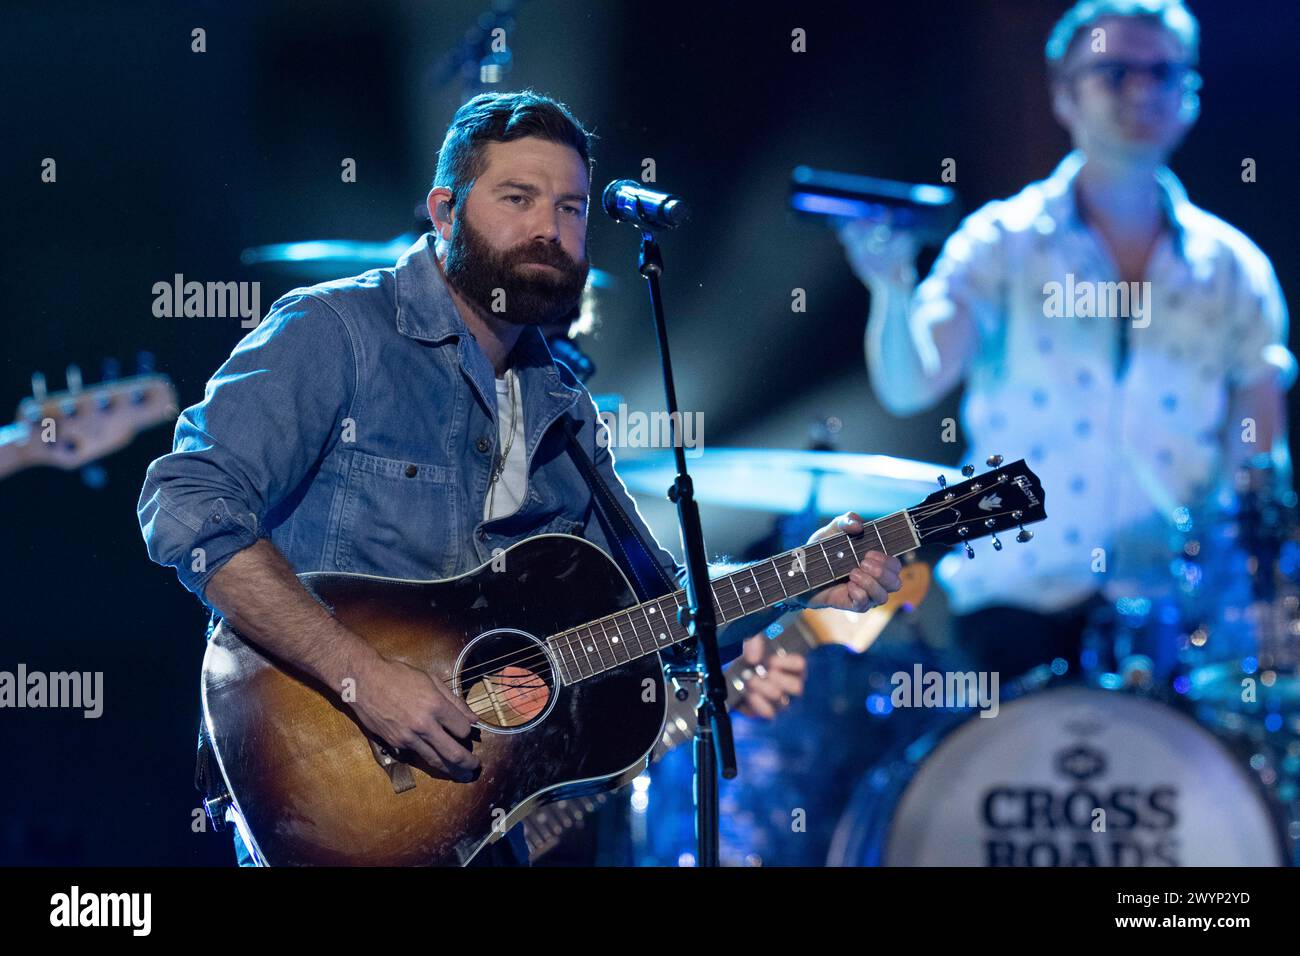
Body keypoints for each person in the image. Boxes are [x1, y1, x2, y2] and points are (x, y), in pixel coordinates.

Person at [138, 90, 900, 865]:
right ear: (444, 210)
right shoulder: (336, 332)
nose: (551, 229)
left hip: (474, 820)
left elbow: (660, 611)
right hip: (327, 784)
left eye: (572, 208)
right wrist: (363, 676)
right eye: (518, 198)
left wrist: (806, 574)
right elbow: (186, 504)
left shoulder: (559, 402)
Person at [838, 0, 1293, 680]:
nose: (1141, 90)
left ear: (1191, 96)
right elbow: (910, 384)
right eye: (1114, 72)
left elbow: (1257, 467)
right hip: (1015, 598)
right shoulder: (1001, 242)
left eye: (1162, 72)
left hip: (1168, 614)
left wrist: (1256, 590)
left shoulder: (1233, 269)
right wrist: (892, 286)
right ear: (1063, 93)